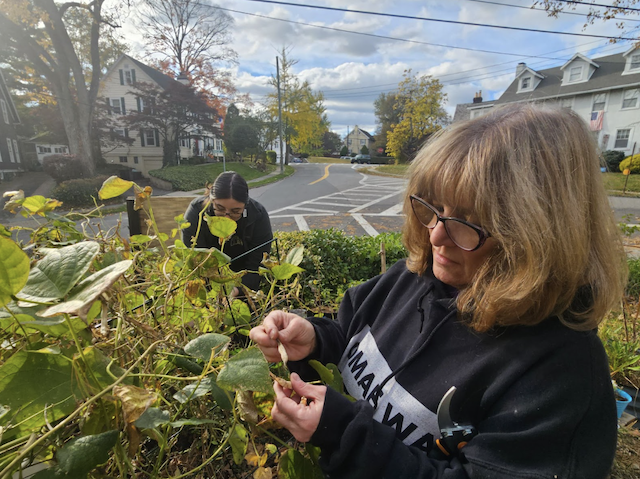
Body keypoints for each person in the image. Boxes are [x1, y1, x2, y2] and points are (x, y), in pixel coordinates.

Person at [250, 104, 627, 479]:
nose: (435, 235)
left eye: (468, 220)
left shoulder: (559, 379)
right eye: (433, 206)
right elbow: (350, 337)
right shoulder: (415, 276)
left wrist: (344, 436)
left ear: (536, 237)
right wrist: (314, 342)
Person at [182, 171, 273, 295]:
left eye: (236, 211)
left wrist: (236, 290)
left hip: (244, 282)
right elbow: (197, 263)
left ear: (245, 206)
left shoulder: (258, 215)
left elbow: (256, 266)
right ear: (211, 200)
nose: (227, 218)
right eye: (219, 208)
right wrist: (216, 293)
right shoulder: (197, 213)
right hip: (209, 282)